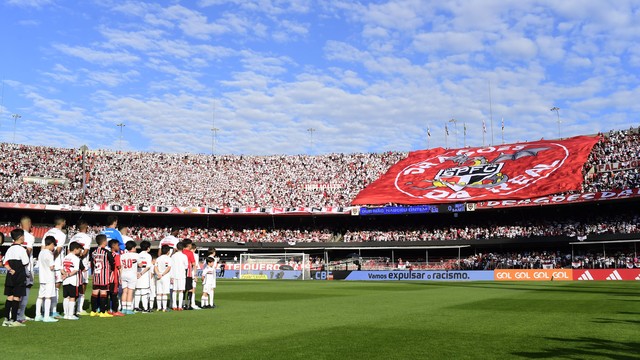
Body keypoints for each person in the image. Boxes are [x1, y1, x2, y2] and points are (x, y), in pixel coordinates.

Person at [2, 229, 29, 327]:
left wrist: (10, 269)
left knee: (10, 297)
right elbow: (25, 262)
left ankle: (6, 319)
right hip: (19, 274)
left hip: (10, 275)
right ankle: (14, 320)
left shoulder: (9, 248)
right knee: (17, 297)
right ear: (21, 237)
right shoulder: (21, 249)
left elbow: (5, 262)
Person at [42, 216, 67, 318]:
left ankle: (44, 310)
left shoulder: (47, 233)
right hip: (55, 264)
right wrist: (52, 260)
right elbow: (59, 249)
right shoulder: (61, 234)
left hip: (46, 263)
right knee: (55, 288)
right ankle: (53, 310)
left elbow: (43, 248)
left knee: (45, 288)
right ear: (63, 223)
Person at [68, 220, 92, 316]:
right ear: (86, 228)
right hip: (83, 265)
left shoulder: (73, 237)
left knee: (73, 286)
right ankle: (79, 309)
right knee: (83, 286)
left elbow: (69, 250)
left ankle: (71, 309)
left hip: (71, 264)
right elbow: (85, 252)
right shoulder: (87, 238)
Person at [90, 234, 115, 318]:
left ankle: (93, 311)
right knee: (103, 293)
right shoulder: (106, 252)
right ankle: (102, 312)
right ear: (104, 242)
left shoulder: (93, 252)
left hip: (96, 275)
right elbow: (112, 262)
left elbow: (92, 264)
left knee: (95, 293)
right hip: (104, 276)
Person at [34, 236, 58, 322]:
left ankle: (38, 315)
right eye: (53, 245)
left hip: (42, 277)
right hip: (49, 277)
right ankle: (46, 316)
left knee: (40, 296)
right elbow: (51, 267)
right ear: (51, 244)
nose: (53, 247)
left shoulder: (41, 252)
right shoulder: (49, 254)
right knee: (48, 297)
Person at [16, 216, 35, 323]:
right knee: (25, 290)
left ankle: (15, 313)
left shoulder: (17, 235)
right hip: (26, 268)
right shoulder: (29, 237)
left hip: (17, 268)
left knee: (17, 291)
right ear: (29, 224)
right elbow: (27, 252)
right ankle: (21, 314)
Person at [62, 242, 83, 320]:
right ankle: (71, 315)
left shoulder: (65, 257)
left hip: (65, 280)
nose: (80, 252)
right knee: (72, 297)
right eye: (79, 250)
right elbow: (75, 270)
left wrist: (65, 274)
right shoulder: (76, 258)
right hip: (73, 280)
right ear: (75, 250)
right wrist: (68, 275)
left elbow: (61, 268)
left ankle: (65, 314)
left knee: (66, 297)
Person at [119, 241, 138, 315]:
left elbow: (121, 267)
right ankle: (128, 308)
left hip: (124, 274)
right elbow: (139, 264)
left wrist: (120, 276)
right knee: (130, 292)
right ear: (133, 248)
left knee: (124, 291)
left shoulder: (122, 255)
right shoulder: (136, 255)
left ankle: (123, 308)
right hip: (132, 274)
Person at [134, 241, 153, 312]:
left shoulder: (137, 255)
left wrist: (138, 273)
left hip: (137, 275)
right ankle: (145, 308)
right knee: (144, 292)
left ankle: (136, 307)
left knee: (137, 292)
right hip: (144, 276)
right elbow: (148, 267)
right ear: (148, 248)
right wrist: (141, 273)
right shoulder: (148, 256)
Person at [170, 242, 189, 311]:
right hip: (181, 275)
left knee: (174, 291)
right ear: (183, 248)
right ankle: (180, 306)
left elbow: (171, 266)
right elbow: (186, 266)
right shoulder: (184, 256)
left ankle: (174, 305)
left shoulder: (173, 256)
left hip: (174, 275)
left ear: (177, 248)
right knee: (181, 291)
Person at [108, 240, 124, 316]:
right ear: (113, 246)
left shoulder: (107, 254)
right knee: (114, 294)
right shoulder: (116, 255)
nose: (119, 247)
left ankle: (108, 309)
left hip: (106, 277)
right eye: (118, 245)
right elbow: (119, 266)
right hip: (114, 277)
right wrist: (121, 277)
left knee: (107, 293)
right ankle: (115, 310)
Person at [154, 245, 172, 312]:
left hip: (158, 276)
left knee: (159, 292)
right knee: (164, 293)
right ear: (168, 251)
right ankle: (164, 308)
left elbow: (155, 267)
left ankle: (159, 307)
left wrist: (158, 274)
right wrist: (162, 274)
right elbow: (169, 268)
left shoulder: (158, 258)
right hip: (165, 276)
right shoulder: (169, 258)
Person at [181, 239, 197, 310]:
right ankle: (188, 305)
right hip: (188, 273)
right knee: (190, 289)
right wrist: (195, 275)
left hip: (180, 273)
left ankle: (182, 304)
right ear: (189, 245)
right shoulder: (190, 253)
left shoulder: (181, 252)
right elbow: (194, 264)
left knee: (183, 289)